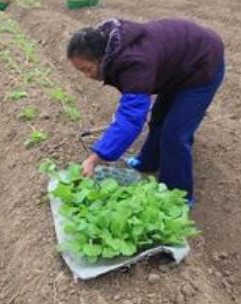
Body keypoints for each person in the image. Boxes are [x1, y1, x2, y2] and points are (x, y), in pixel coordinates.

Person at [67, 18, 225, 205]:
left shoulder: (134, 63)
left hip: (202, 64)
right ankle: (148, 162)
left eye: (88, 69)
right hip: (178, 67)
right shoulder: (111, 44)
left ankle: (178, 197)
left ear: (101, 57)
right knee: (158, 119)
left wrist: (95, 158)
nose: (88, 76)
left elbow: (131, 118)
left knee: (175, 134)